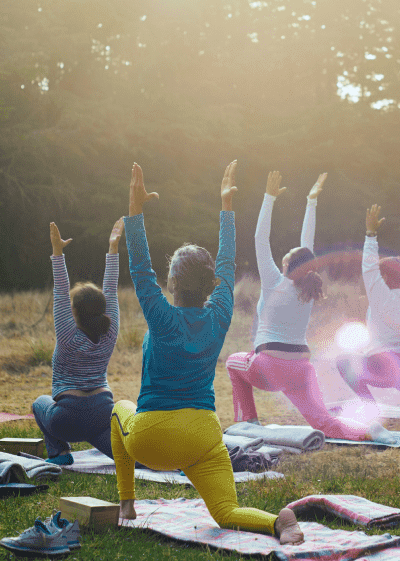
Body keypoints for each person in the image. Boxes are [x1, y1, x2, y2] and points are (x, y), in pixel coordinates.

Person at [111, 162, 303, 544]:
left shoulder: (162, 316)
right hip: (203, 436)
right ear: (211, 283)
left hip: (152, 439)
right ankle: (277, 522)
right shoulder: (219, 316)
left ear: (173, 283)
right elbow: (228, 266)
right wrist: (226, 208)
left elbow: (139, 266)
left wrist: (135, 212)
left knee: (119, 407)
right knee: (226, 513)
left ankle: (127, 503)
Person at [226, 171, 384, 442]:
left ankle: (248, 422)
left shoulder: (274, 282)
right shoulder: (308, 290)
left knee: (232, 362)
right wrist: (311, 203)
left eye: (286, 257)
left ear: (286, 265)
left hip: (268, 367)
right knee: (324, 422)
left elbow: (260, 238)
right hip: (301, 368)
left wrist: (269, 198)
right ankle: (368, 432)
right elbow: (307, 246)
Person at [337, 204, 400, 417]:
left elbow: (368, 267)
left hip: (381, 367)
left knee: (343, 362)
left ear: (384, 277)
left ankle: (370, 407)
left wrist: (371, 234)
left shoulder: (380, 296)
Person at [32, 219, 123, 464]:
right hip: (103, 413)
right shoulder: (110, 332)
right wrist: (113, 249)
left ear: (73, 312)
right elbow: (111, 290)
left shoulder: (67, 336)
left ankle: (60, 453)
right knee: (130, 457)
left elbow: (60, 290)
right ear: (103, 310)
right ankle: (171, 461)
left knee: (39, 403)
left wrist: (57, 251)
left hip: (67, 419)